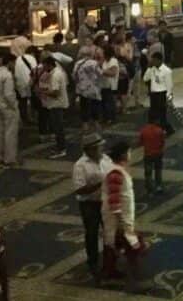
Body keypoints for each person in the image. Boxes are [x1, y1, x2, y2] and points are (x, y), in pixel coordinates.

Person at [101, 141, 148, 292]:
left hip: (121, 221)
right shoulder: (115, 173)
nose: (130, 154)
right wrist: (122, 223)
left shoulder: (118, 171)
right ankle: (137, 282)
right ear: (123, 155)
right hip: (118, 222)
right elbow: (114, 201)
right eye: (128, 152)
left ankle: (110, 275)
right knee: (134, 249)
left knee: (113, 247)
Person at [72, 133, 113, 281]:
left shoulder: (106, 159)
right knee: (92, 233)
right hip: (89, 204)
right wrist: (99, 184)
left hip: (105, 201)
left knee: (110, 232)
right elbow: (79, 189)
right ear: (89, 149)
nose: (101, 149)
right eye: (98, 147)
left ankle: (110, 264)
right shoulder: (80, 166)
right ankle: (93, 263)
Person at [0, 54, 20, 167]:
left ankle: (1, 156)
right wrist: (14, 105)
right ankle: (10, 158)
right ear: (10, 62)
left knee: (1, 132)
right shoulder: (7, 75)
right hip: (8, 107)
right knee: (10, 133)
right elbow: (9, 94)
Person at [38, 57, 69, 159]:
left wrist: (43, 92)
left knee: (58, 128)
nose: (43, 68)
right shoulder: (57, 72)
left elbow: (55, 92)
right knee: (57, 127)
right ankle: (60, 147)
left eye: (44, 65)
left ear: (49, 64)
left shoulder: (55, 75)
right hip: (56, 104)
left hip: (56, 104)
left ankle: (61, 149)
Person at [73, 49, 104, 134]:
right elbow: (100, 73)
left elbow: (74, 75)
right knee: (95, 105)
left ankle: (85, 125)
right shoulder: (94, 63)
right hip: (94, 88)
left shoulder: (78, 63)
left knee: (84, 106)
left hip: (82, 88)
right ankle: (96, 123)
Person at [142, 51, 173, 134]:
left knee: (162, 115)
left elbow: (169, 86)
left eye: (154, 60)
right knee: (152, 114)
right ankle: (153, 130)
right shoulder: (152, 69)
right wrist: (148, 68)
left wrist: (169, 98)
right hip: (154, 94)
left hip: (162, 94)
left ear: (159, 60)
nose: (152, 62)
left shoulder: (166, 71)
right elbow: (145, 79)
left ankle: (167, 130)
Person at [139, 111, 166, 195]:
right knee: (158, 170)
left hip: (148, 154)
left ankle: (149, 189)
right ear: (156, 120)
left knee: (148, 173)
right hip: (158, 153)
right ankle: (159, 186)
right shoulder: (159, 130)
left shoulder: (143, 130)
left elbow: (141, 142)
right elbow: (162, 142)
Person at [13, 48, 36, 125]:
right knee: (33, 101)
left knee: (22, 101)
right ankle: (32, 117)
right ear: (32, 53)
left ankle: (24, 119)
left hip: (19, 83)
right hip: (30, 82)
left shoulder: (18, 58)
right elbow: (35, 71)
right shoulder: (32, 58)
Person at [99, 46, 121, 125]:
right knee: (104, 103)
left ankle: (111, 118)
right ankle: (105, 118)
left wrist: (102, 71)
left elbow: (113, 73)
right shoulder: (104, 61)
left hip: (111, 86)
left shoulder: (113, 61)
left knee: (110, 103)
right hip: (104, 85)